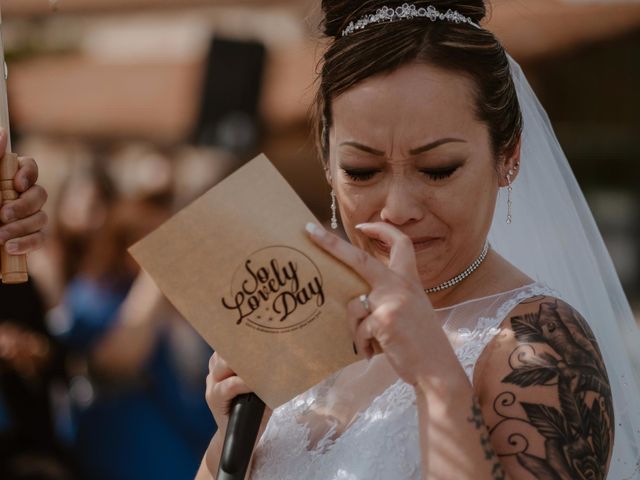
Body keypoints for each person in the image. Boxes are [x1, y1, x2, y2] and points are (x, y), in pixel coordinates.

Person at [196, 2, 640, 479]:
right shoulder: (305, 324)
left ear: (507, 156)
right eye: (362, 172)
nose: (397, 208)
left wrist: (436, 374)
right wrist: (233, 439)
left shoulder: (536, 347)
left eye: (438, 169)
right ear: (327, 164)